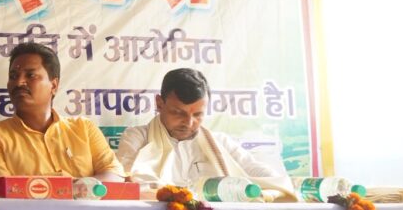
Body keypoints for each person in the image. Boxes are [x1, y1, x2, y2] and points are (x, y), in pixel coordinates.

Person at [0, 43, 124, 180]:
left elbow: (114, 175)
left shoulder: (84, 128)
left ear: (53, 85)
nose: (19, 82)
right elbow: (5, 189)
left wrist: (75, 187)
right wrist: (71, 184)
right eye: (13, 76)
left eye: (30, 75)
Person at [115, 68, 281, 187]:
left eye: (197, 115)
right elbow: (126, 180)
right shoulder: (137, 137)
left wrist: (280, 184)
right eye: (178, 113)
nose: (188, 123)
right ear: (159, 103)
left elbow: (258, 172)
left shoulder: (220, 143)